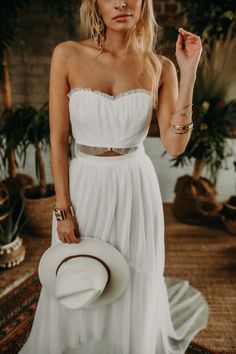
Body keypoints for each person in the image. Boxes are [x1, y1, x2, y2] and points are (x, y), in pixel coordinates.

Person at [18, 0, 209, 353]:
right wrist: (62, 209)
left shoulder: (159, 66)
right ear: (96, 5)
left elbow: (175, 145)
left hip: (135, 185)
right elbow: (58, 140)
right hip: (85, 183)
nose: (121, 2)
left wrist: (189, 71)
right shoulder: (68, 55)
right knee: (80, 272)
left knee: (133, 274)